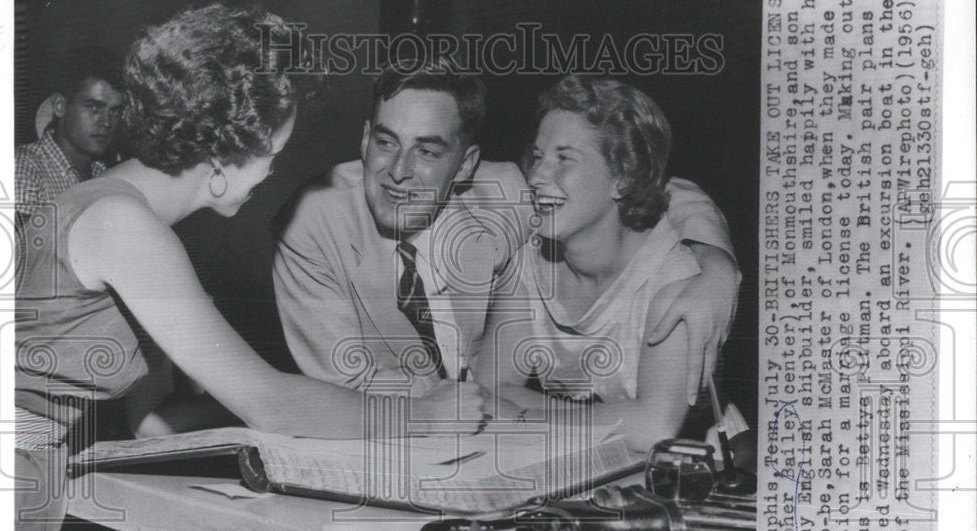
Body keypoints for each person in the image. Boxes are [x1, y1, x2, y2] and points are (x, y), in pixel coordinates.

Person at [13, 6, 487, 531]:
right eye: (273, 154)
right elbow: (271, 400)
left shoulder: (114, 210)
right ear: (222, 153)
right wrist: (424, 416)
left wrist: (276, 434)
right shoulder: (124, 228)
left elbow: (151, 420)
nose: (270, 174)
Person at [274, 61, 738, 405]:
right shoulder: (312, 223)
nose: (399, 172)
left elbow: (662, 191)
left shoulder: (511, 196)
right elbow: (345, 390)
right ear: (364, 140)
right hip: (389, 435)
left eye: (428, 152)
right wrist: (472, 406)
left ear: (465, 165)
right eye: (385, 142)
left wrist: (717, 268)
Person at [474, 75, 735, 452]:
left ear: (623, 178)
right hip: (576, 466)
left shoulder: (674, 278)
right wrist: (618, 418)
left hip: (700, 478)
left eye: (563, 158)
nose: (536, 176)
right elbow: (487, 393)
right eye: (538, 157)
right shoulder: (528, 262)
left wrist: (519, 413)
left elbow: (653, 429)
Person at [14, 48, 125, 221]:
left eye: (115, 112)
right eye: (94, 107)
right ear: (59, 105)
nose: (106, 122)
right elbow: (21, 247)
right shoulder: (24, 168)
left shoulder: (103, 172)